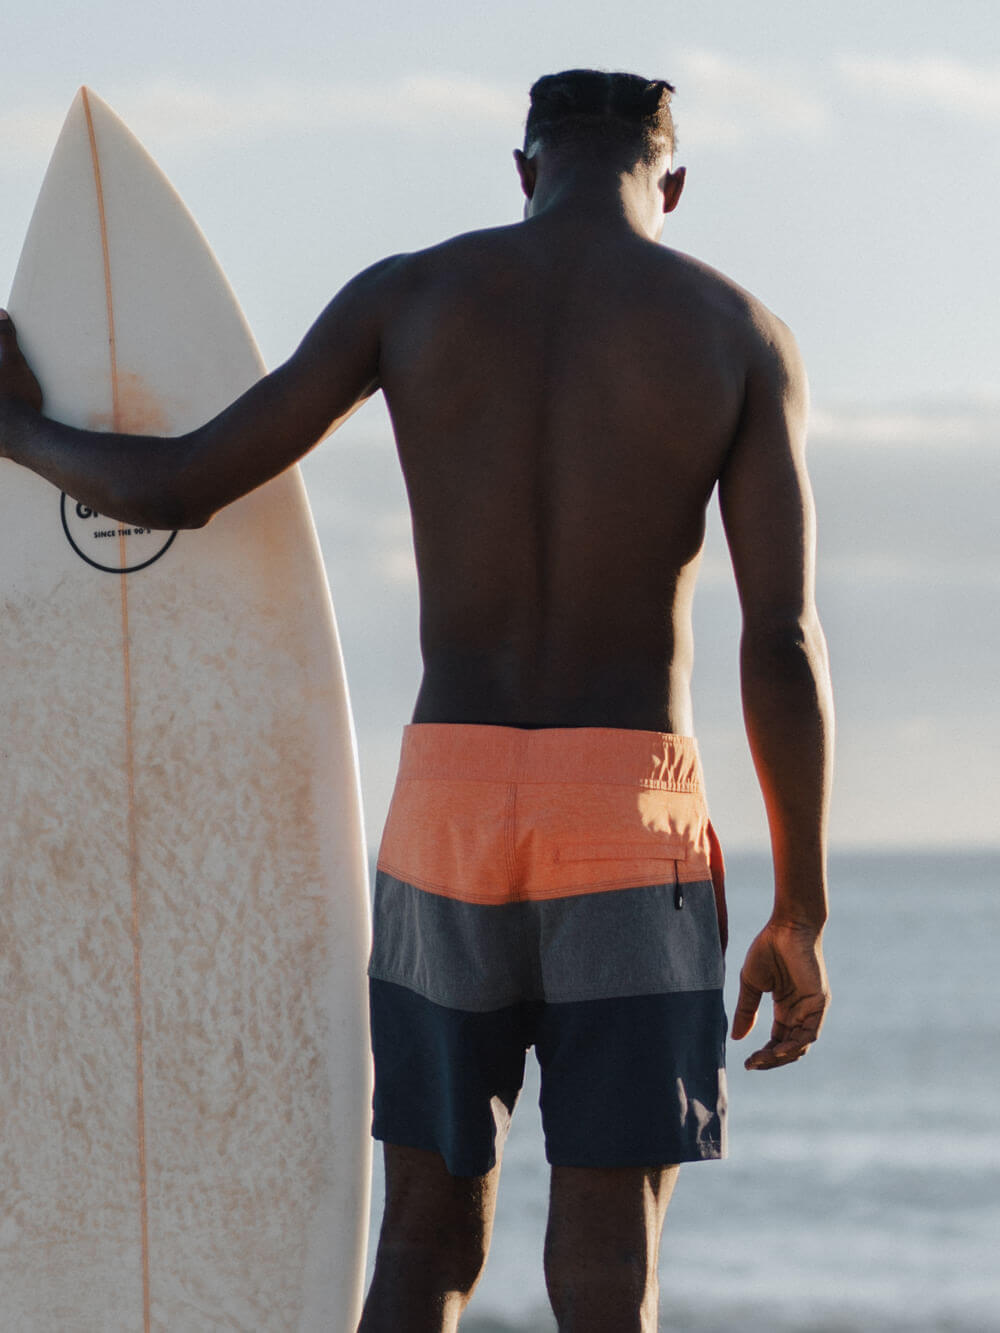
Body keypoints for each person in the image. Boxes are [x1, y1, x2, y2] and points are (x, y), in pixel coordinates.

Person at [0, 69, 832, 1333]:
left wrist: (17, 433)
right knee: (607, 1261)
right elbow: (780, 638)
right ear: (671, 187)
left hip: (444, 811)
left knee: (425, 1239)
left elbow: (175, 486)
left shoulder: (413, 295)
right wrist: (802, 908)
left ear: (522, 169)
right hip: (627, 813)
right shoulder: (734, 334)